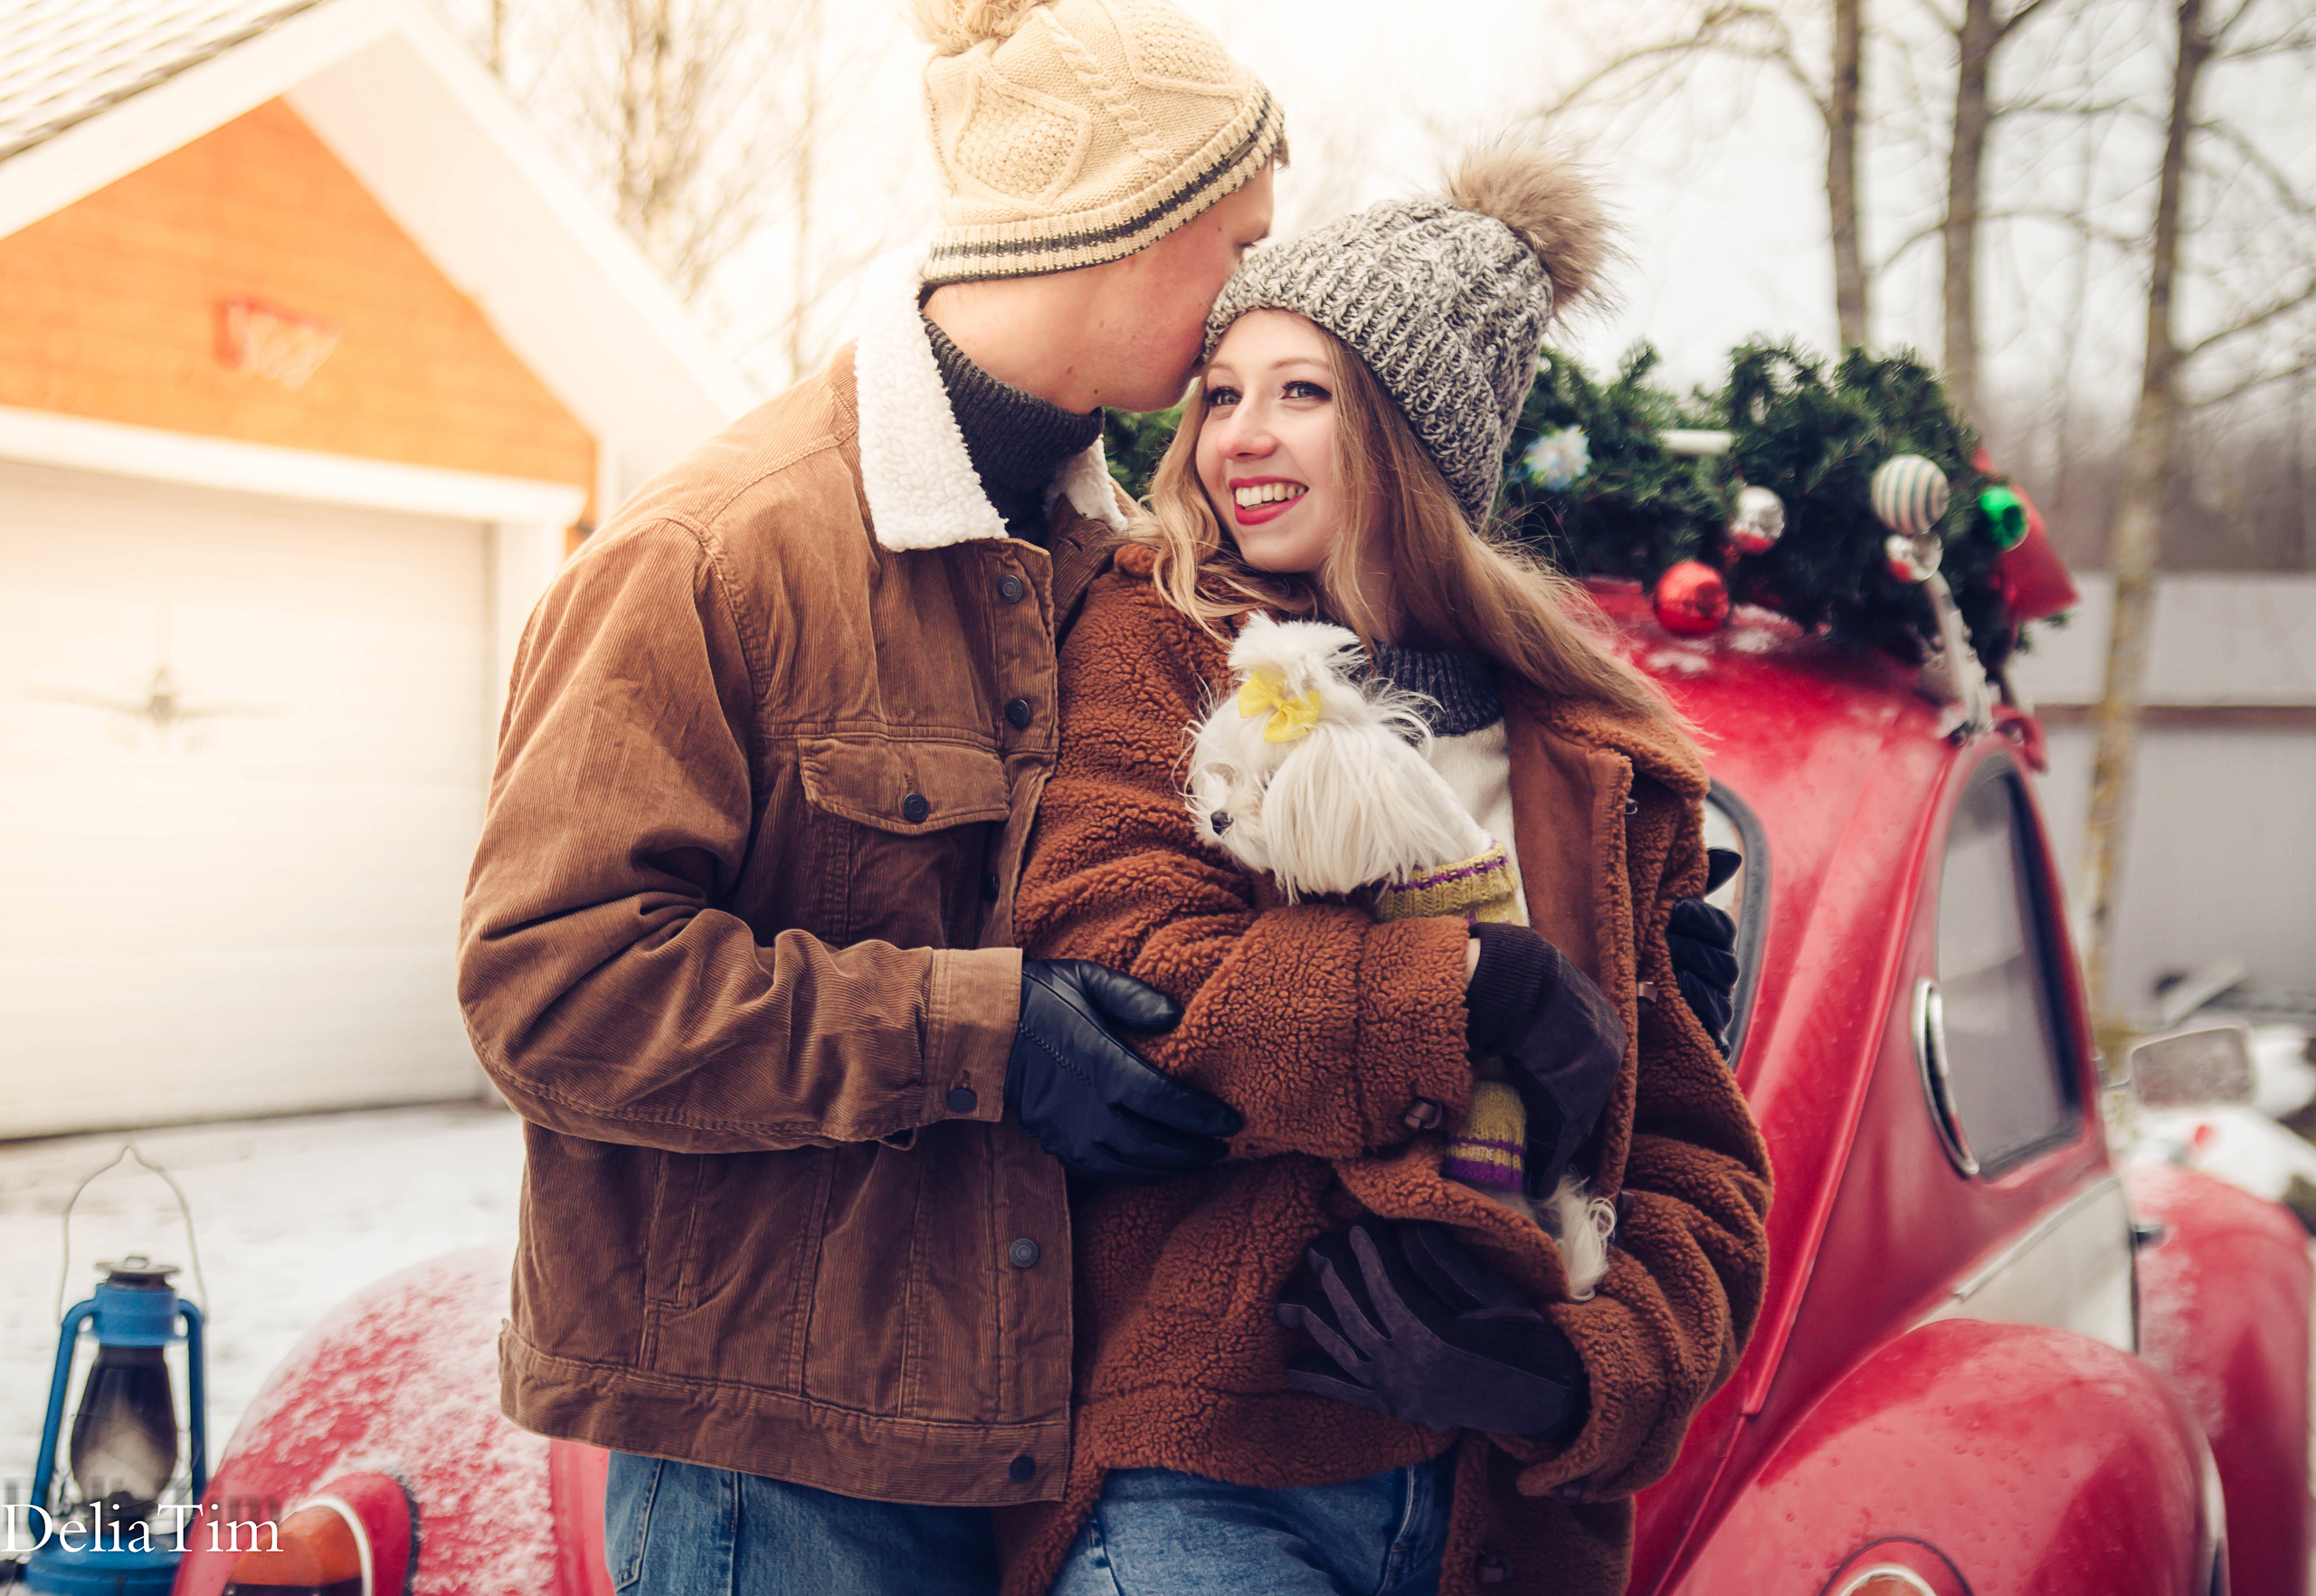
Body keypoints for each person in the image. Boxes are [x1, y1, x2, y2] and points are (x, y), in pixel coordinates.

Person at [455, 2, 1285, 1591]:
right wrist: (986, 1034)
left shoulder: (1126, 575)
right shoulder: (712, 557)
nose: (1257, 298)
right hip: (783, 1478)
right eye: (1239, 243)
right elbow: (547, 992)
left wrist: (1589, 923)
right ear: (1121, 221)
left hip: (1042, 1442)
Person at [1007, 148, 1772, 1596]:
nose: (1240, 435)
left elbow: (1692, 1168)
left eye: (1306, 393)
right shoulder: (1162, 649)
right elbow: (1130, 967)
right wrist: (1468, 989)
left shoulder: (1597, 760)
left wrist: (1564, 1377)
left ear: (1416, 438)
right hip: (1214, 1481)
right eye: (1221, 392)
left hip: (1502, 1524)